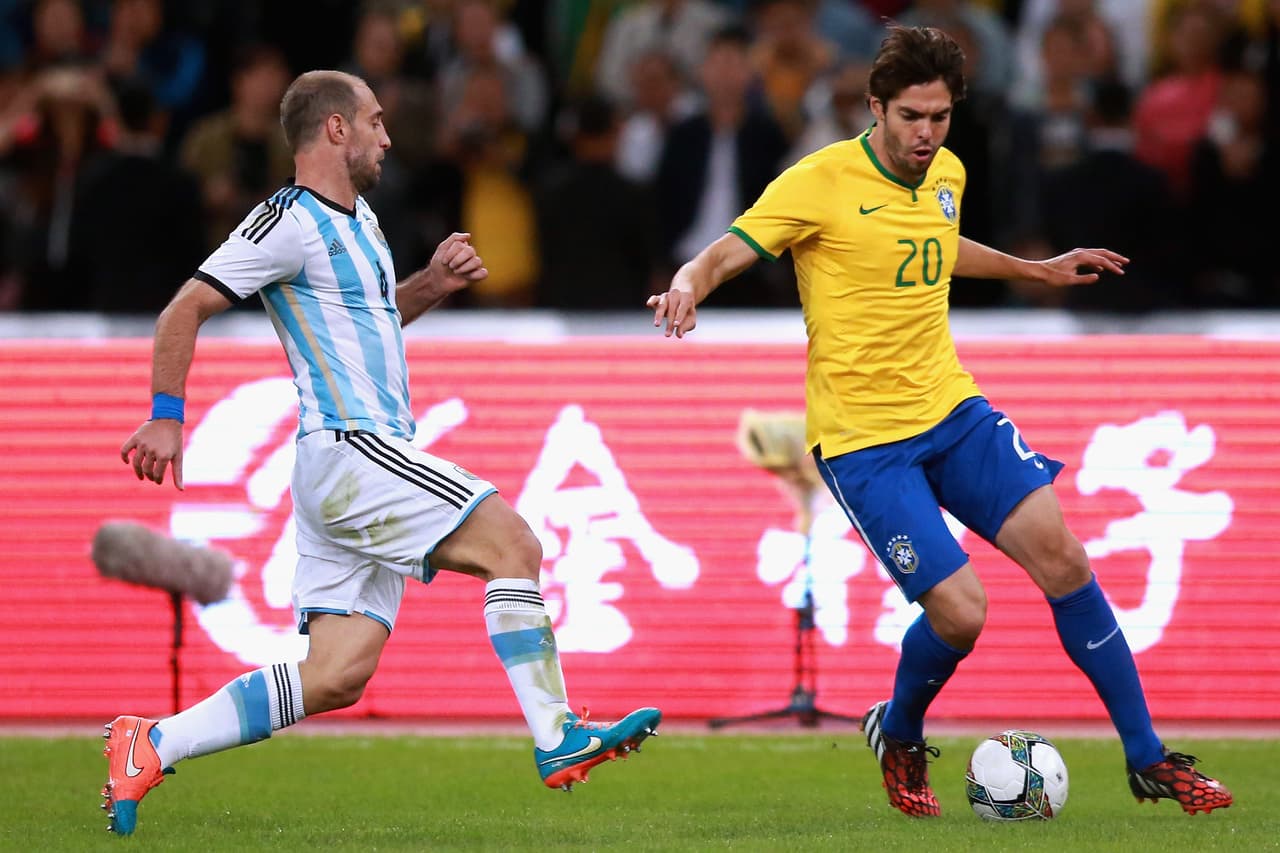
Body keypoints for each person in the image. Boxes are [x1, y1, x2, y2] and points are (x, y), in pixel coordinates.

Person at [648, 25, 1231, 819]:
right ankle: (902, 731)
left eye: (941, 117)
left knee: (1063, 556)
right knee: (963, 611)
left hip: (952, 410)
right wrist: (686, 285)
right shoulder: (817, 182)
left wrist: (1037, 267)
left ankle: (1150, 758)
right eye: (913, 117)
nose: (927, 135)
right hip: (864, 442)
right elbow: (722, 254)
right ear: (876, 108)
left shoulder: (947, 171)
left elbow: (939, 245)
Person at [104, 69, 661, 837]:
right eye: (374, 120)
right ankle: (557, 734)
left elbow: (371, 319)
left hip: (350, 467)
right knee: (515, 545)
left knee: (337, 673)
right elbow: (185, 307)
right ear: (334, 129)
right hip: (353, 451)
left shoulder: (361, 221)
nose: (387, 136)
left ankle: (154, 741)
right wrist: (167, 416)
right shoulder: (285, 220)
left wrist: (430, 282)